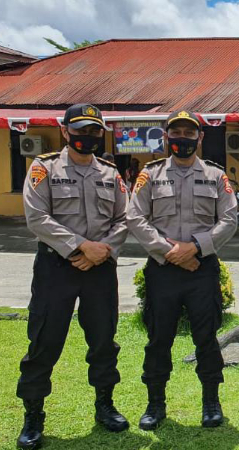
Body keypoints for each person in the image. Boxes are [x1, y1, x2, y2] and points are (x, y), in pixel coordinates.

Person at [17, 103, 130, 449]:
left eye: (94, 130)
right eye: (80, 129)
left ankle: (105, 405)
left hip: (100, 269)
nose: (88, 136)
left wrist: (104, 250)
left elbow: (124, 220)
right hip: (56, 268)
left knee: (103, 340)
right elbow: (37, 217)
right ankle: (33, 416)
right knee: (44, 341)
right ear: (65, 131)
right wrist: (82, 247)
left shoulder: (111, 173)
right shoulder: (44, 168)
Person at [126, 110, 237, 430]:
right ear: (166, 136)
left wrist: (197, 248)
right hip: (163, 270)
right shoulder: (151, 174)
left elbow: (229, 219)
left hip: (202, 269)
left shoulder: (216, 176)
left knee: (207, 338)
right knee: (159, 339)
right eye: (177, 133)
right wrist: (169, 251)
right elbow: (136, 218)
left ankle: (211, 403)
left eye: (190, 134)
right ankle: (155, 404)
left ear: (200, 138)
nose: (183, 139)